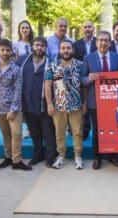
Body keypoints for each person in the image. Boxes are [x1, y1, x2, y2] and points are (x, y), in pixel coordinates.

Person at [81, 31, 118, 169]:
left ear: (110, 43)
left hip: (114, 101)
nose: (103, 43)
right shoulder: (88, 57)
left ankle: (113, 156)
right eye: (100, 40)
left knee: (114, 129)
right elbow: (82, 77)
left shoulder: (117, 57)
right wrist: (88, 79)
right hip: (95, 101)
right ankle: (97, 157)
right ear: (96, 42)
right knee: (98, 130)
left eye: (106, 41)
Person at [0, 39, 32, 170]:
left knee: (16, 134)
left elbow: (18, 91)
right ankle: (8, 157)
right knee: (5, 133)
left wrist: (13, 109)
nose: (5, 52)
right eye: (2, 50)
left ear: (11, 52)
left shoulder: (16, 69)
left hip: (13, 108)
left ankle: (17, 161)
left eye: (8, 50)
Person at [45, 40, 84, 169]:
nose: (66, 50)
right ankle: (61, 156)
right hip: (58, 105)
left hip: (76, 105)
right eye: (63, 48)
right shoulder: (52, 65)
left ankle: (78, 156)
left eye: (68, 48)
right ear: (59, 50)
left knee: (77, 132)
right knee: (59, 132)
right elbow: (47, 85)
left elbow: (84, 86)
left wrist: (85, 103)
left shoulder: (80, 65)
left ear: (72, 50)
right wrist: (49, 104)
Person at [21, 37, 57, 168]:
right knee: (34, 132)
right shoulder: (23, 61)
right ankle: (38, 154)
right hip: (28, 103)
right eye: (37, 45)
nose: (39, 48)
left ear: (46, 48)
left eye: (42, 45)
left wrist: (52, 103)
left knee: (48, 132)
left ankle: (50, 156)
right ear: (32, 46)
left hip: (44, 104)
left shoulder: (51, 62)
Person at [73, 20, 97, 141]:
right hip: (81, 79)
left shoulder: (99, 42)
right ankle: (85, 130)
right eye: (85, 27)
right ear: (82, 29)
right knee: (84, 104)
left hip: (97, 79)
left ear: (93, 28)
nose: (87, 29)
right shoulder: (76, 44)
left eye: (89, 26)